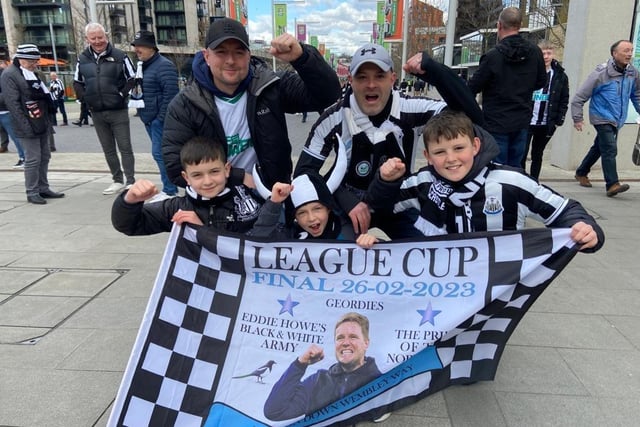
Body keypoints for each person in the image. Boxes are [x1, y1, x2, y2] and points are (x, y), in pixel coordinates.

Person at [293, 42, 483, 238]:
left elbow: (471, 118)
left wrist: (435, 72)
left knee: (433, 251)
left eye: (380, 76)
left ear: (393, 78)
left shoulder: (412, 108)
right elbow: (303, 174)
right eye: (362, 77)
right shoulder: (332, 118)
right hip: (350, 206)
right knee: (331, 254)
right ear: (350, 80)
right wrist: (346, 200)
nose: (371, 84)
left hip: (400, 201)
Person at [367, 110, 604, 254]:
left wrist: (587, 229)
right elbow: (376, 208)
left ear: (476, 146)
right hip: (440, 296)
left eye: (459, 148)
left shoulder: (511, 182)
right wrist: (385, 181)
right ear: (427, 157)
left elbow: (565, 210)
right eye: (440, 152)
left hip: (496, 296)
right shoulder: (422, 183)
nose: (451, 159)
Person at [162, 17, 341, 190]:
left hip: (271, 198)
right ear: (206, 56)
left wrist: (302, 58)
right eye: (221, 52)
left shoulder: (271, 86)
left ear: (249, 56)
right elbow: (176, 166)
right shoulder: (185, 105)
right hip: (214, 205)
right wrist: (236, 177)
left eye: (238, 52)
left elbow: (328, 95)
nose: (230, 60)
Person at [111, 136, 263, 236]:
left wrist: (201, 231)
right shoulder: (179, 207)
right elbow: (129, 225)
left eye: (214, 171)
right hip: (200, 281)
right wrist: (129, 200)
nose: (208, 181)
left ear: (227, 169)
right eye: (197, 175)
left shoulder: (248, 202)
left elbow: (256, 243)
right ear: (186, 177)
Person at [263, 312, 382, 421]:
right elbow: (274, 412)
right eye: (340, 338)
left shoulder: (381, 384)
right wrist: (299, 365)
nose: (345, 343)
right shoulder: (318, 381)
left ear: (366, 343)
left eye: (353, 337)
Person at [467, 7, 546, 168]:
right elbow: (541, 81)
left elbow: (472, 87)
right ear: (520, 25)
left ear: (499, 25)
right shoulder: (535, 52)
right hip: (522, 118)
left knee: (496, 168)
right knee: (516, 167)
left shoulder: (492, 56)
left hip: (496, 120)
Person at [74, 22, 137, 195]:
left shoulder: (120, 55)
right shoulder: (82, 58)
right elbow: (77, 81)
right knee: (108, 149)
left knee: (125, 147)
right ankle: (117, 180)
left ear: (106, 36)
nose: (97, 41)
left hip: (118, 110)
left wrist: (121, 95)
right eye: (93, 38)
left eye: (100, 37)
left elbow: (132, 78)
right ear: (87, 39)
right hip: (97, 111)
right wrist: (85, 99)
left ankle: (131, 181)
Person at [572, 39, 640, 197]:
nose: (629, 54)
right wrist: (577, 118)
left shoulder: (632, 73)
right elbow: (580, 97)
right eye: (625, 51)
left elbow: (636, 95)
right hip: (601, 117)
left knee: (599, 147)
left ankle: (581, 172)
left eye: (631, 50)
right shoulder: (601, 73)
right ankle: (612, 184)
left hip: (618, 118)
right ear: (614, 53)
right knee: (610, 147)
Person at [0, 44, 65, 204]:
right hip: (26, 123)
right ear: (21, 59)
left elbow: (43, 96)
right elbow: (13, 104)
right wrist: (25, 126)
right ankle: (32, 191)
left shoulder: (32, 73)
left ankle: (43, 188)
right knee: (33, 158)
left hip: (40, 120)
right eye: (32, 61)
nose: (35, 64)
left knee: (45, 156)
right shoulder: (10, 75)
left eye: (36, 60)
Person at [130, 30, 179, 202]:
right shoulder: (143, 66)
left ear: (151, 47)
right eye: (135, 46)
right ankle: (171, 187)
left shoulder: (164, 66)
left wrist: (160, 118)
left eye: (140, 45)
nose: (137, 49)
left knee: (160, 154)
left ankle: (170, 190)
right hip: (149, 118)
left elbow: (171, 94)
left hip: (159, 120)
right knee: (161, 154)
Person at [521, 40, 569, 180]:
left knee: (538, 154)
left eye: (549, 53)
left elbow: (564, 99)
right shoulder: (529, 72)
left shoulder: (560, 76)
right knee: (522, 153)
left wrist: (559, 120)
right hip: (527, 121)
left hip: (546, 122)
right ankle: (522, 180)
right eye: (543, 53)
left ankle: (534, 181)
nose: (546, 56)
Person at [0, 61, 26, 167]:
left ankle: (24, 157)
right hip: (3, 110)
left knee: (15, 135)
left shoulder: (4, 74)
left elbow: (7, 93)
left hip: (6, 110)